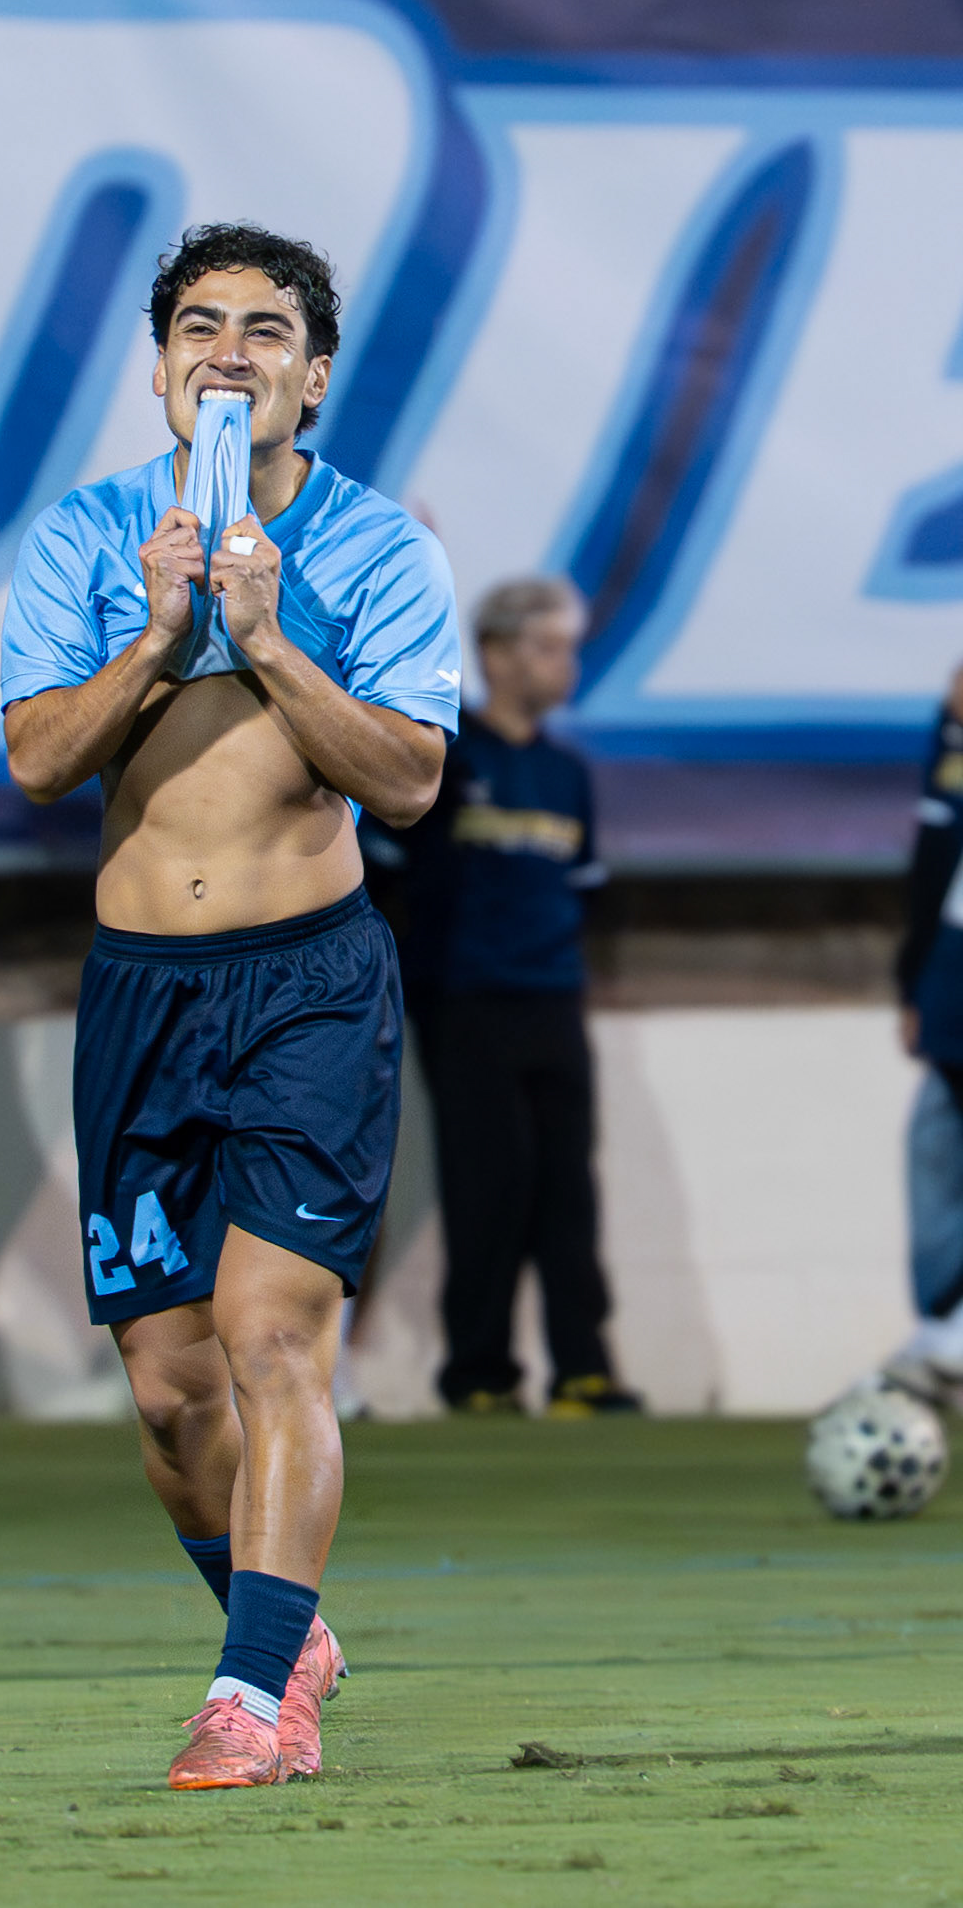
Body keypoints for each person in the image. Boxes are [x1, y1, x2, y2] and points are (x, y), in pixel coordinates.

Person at [0, 224, 460, 1788]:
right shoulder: (86, 536)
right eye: (200, 325)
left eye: (268, 330)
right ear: (159, 366)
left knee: (275, 1339)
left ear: (311, 378)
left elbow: (409, 781)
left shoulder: (380, 548)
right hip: (141, 994)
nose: (229, 352)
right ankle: (283, 1630)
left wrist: (265, 639)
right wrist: (159, 632)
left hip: (309, 986)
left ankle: (251, 1699)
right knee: (171, 1391)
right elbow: (38, 763)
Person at [393, 575, 641, 1418]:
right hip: (465, 998)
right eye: (545, 647)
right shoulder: (449, 758)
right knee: (487, 1183)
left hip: (553, 997)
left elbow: (583, 890)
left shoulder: (567, 772)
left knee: (568, 1185)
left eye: (569, 648)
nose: (564, 665)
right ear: (494, 654)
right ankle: (480, 1371)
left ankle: (583, 1368)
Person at [886, 662, 963, 1401]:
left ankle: (951, 1330)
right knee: (934, 1150)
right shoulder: (951, 752)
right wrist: (917, 981)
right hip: (952, 981)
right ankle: (944, 1325)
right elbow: (933, 868)